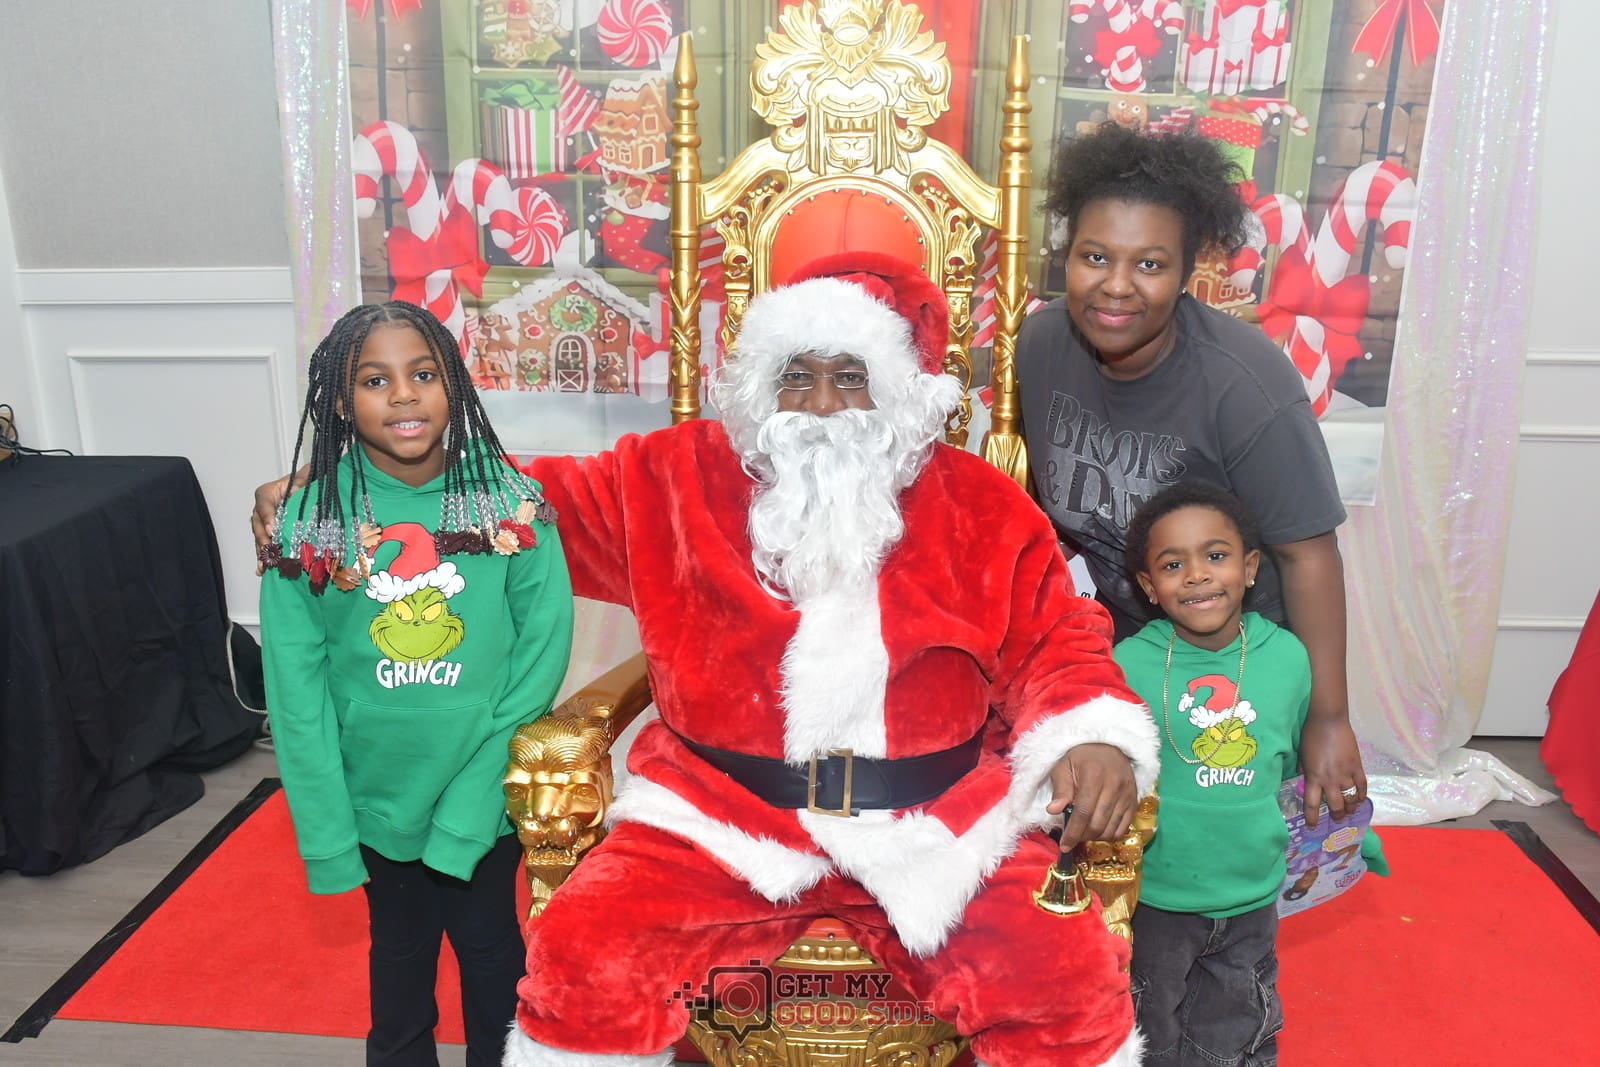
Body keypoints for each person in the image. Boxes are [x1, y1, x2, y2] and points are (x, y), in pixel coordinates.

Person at [261, 256, 1159, 1065]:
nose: (820, 404)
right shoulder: (674, 477)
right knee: (584, 958)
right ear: (759, 386)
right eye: (796, 375)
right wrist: (345, 488)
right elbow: (519, 499)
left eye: (850, 377)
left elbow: (1058, 634)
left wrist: (1092, 733)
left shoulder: (980, 503)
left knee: (1065, 976)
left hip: (938, 825)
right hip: (716, 819)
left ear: (897, 392)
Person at [1016, 121, 1367, 827]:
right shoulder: (1042, 343)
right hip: (1126, 648)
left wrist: (1328, 718)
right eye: (1094, 256)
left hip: (1232, 657)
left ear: (1185, 274)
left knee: (1213, 845)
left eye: (1149, 264)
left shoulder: (1246, 385)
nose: (1116, 286)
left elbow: (1308, 553)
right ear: (1066, 256)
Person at [257, 301, 574, 1067]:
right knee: (399, 957)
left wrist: (474, 798)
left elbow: (541, 654)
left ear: (453, 384)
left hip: (484, 792)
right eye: (375, 379)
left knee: (492, 952)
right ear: (340, 401)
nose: (403, 393)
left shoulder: (508, 502)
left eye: (423, 373)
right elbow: (296, 692)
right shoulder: (310, 523)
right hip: (377, 799)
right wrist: (327, 831)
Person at [1112, 481, 1383, 1066]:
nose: (1197, 575)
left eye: (1215, 555)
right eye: (1172, 564)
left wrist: (1353, 833)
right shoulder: (1125, 665)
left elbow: (1300, 770)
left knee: (1238, 1018)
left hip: (1252, 893)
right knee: (1146, 1021)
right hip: (1157, 896)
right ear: (1149, 587)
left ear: (1251, 567)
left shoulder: (1288, 657)